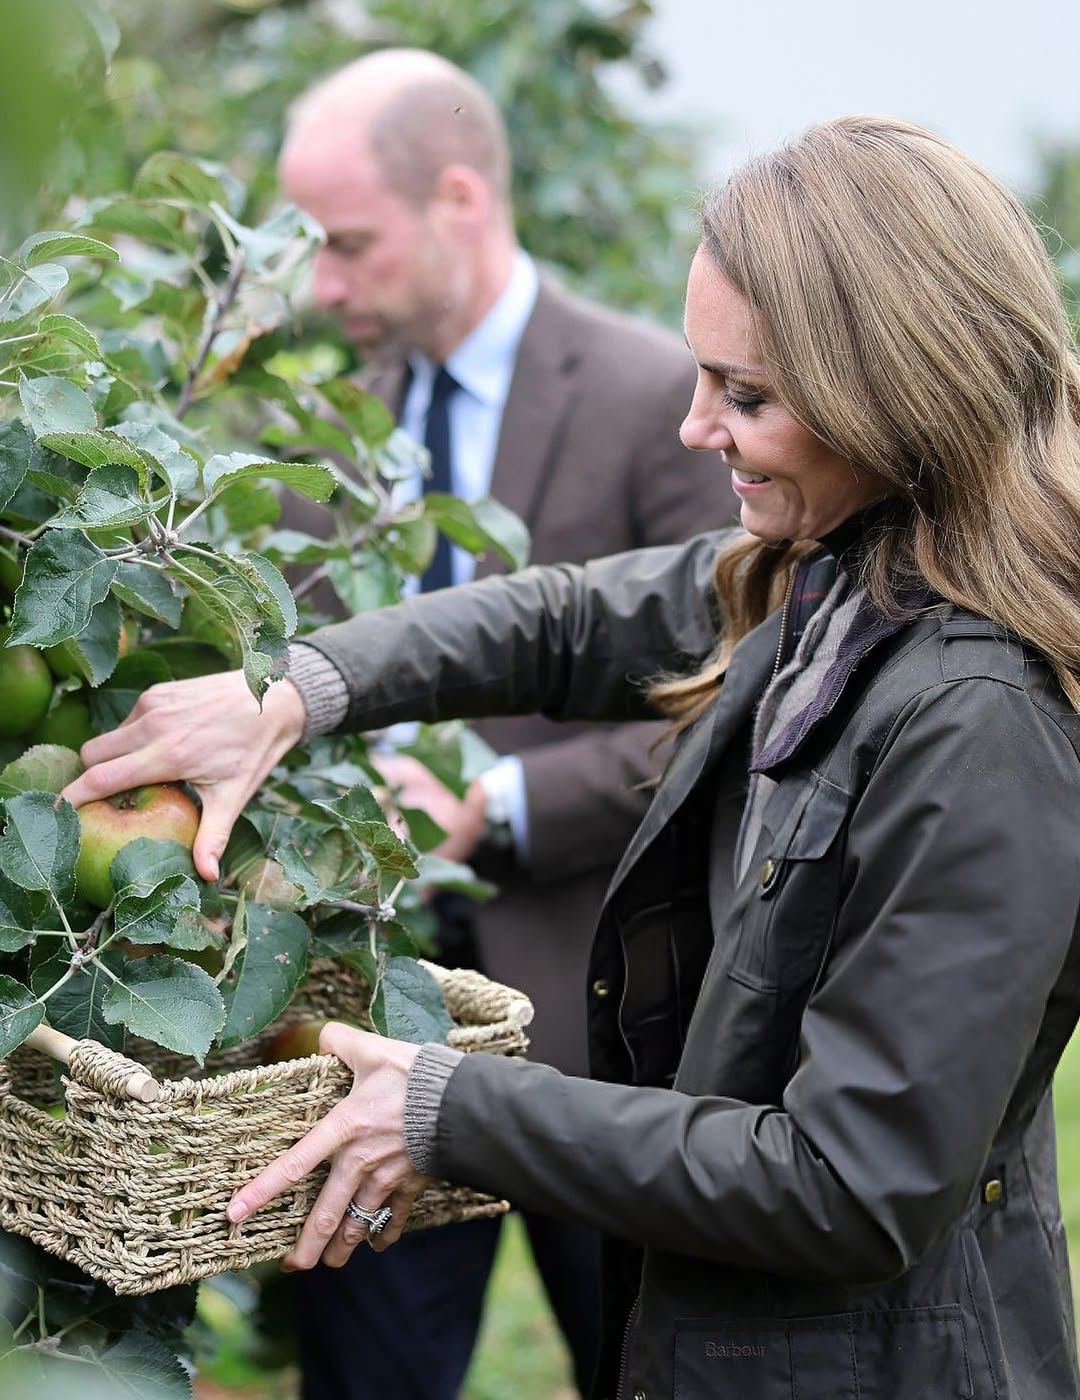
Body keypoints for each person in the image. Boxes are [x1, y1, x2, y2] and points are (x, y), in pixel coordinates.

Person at [63, 115, 1080, 1400]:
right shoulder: (843, 573)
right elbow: (568, 619)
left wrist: (454, 1107)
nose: (695, 426)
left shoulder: (980, 717)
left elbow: (851, 1182)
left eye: (747, 395)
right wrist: (297, 692)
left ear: (896, 392)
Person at [271, 46, 737, 1400]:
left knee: (636, 1360)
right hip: (376, 1019)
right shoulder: (333, 436)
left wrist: (501, 804)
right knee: (369, 1374)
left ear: (458, 202)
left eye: (349, 242)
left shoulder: (661, 398)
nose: (324, 286)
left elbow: (731, 701)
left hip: (609, 1023)